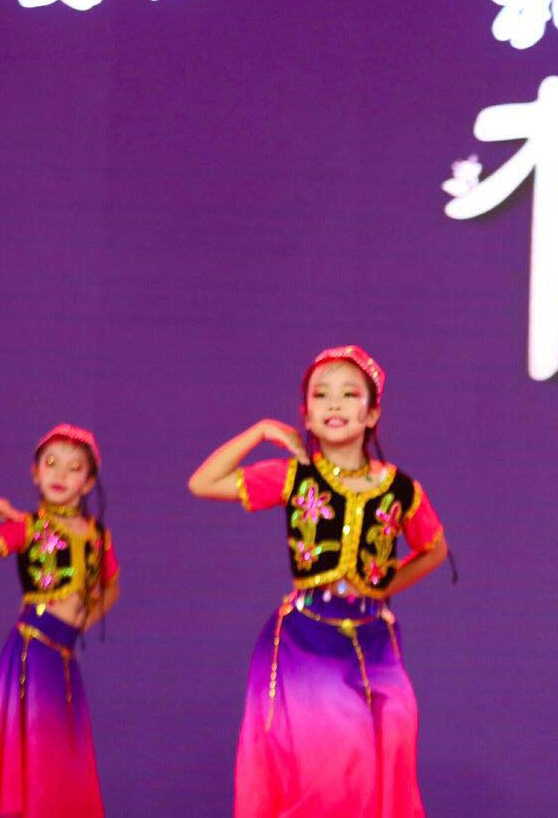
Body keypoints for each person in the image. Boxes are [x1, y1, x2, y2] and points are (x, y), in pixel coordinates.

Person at [188, 345, 447, 818]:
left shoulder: (401, 490)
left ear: (372, 414)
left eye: (349, 394)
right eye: (321, 395)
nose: (334, 404)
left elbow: (435, 549)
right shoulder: (294, 478)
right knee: (337, 765)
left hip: (376, 643)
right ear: (305, 415)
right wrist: (260, 431)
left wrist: (384, 586)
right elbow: (203, 483)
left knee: (392, 748)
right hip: (308, 639)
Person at [0, 423, 119, 818]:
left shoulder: (97, 535)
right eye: (51, 464)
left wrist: (83, 621)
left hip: (64, 656)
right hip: (33, 651)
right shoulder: (28, 527)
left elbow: (111, 587)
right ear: (35, 473)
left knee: (63, 753)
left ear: (88, 482)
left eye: (74, 467)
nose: (60, 474)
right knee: (36, 747)